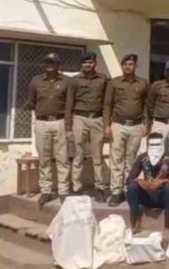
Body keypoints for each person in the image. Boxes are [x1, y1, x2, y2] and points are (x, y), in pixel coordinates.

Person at [25, 53, 71, 206]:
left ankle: (63, 190)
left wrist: (68, 126)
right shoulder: (36, 81)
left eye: (53, 62)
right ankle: (46, 190)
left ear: (58, 64)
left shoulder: (66, 81)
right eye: (47, 62)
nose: (50, 65)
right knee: (44, 158)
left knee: (62, 158)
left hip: (60, 122)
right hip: (42, 122)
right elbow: (31, 101)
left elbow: (69, 104)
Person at [104, 54, 149, 207]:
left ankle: (129, 189)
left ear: (136, 66)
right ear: (122, 66)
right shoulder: (114, 83)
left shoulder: (143, 83)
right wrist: (107, 125)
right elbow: (107, 105)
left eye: (131, 64)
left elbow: (146, 105)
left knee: (132, 159)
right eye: (125, 64)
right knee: (117, 159)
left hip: (136, 125)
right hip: (118, 124)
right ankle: (116, 191)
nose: (128, 66)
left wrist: (146, 124)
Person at [66, 52, 109, 202]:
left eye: (90, 62)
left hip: (97, 119)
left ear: (95, 63)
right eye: (85, 62)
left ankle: (99, 188)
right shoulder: (74, 80)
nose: (88, 65)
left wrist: (106, 123)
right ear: (81, 64)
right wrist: (68, 127)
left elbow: (106, 103)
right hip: (79, 118)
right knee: (78, 154)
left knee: (97, 156)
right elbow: (69, 104)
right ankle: (77, 187)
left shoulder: (103, 79)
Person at [126, 133, 169, 237]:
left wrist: (164, 182)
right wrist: (143, 183)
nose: (154, 148)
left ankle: (168, 228)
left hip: (164, 196)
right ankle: (134, 223)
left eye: (157, 145)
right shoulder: (142, 157)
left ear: (162, 145)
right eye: (152, 145)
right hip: (147, 195)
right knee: (132, 188)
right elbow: (129, 179)